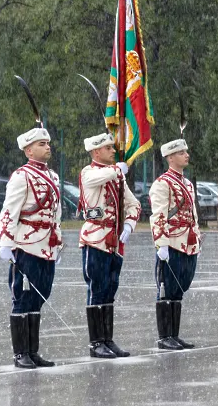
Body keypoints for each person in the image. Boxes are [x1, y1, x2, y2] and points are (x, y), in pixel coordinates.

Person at [0, 128, 63, 368]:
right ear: (28, 150)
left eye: (48, 143)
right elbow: (9, 211)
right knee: (22, 298)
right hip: (26, 245)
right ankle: (20, 353)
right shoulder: (20, 176)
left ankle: (33, 352)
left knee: (39, 297)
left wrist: (57, 243)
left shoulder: (54, 177)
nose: (48, 147)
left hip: (46, 246)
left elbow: (55, 215)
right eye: (42, 144)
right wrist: (6, 242)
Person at [78, 133, 140, 358]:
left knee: (110, 289)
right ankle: (96, 343)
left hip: (115, 242)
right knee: (97, 289)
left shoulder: (116, 176)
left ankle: (107, 339)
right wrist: (117, 170)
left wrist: (130, 225)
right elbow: (94, 180)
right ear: (96, 152)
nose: (113, 151)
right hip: (95, 239)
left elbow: (134, 204)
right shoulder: (89, 172)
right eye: (108, 148)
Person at [150, 139, 201, 350]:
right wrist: (161, 243)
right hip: (171, 242)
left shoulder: (187, 183)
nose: (186, 155)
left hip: (187, 241)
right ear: (170, 157)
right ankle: (165, 337)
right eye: (181, 152)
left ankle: (174, 334)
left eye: (186, 151)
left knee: (180, 288)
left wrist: (196, 234)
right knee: (167, 288)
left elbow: (192, 213)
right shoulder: (163, 183)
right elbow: (159, 215)